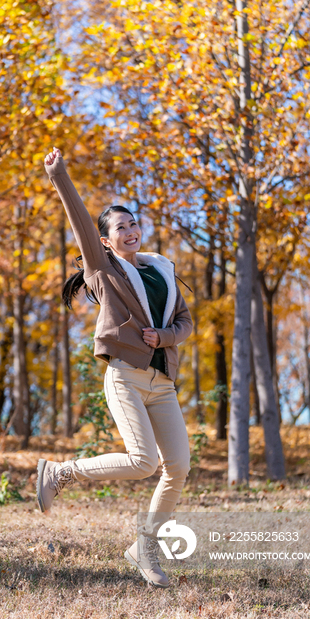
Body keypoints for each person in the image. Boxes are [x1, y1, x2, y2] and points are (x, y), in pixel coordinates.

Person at [36, 147, 193, 588]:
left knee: (177, 467)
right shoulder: (105, 272)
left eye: (134, 223)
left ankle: (144, 547)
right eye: (120, 227)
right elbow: (82, 224)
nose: (130, 231)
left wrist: (164, 337)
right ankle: (60, 472)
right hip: (124, 375)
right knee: (144, 462)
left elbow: (186, 322)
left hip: (162, 383)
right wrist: (60, 176)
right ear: (105, 241)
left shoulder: (162, 270)